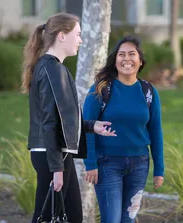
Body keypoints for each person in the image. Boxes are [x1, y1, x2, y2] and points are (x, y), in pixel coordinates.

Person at [21, 13, 116, 223]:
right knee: (46, 217)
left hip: (56, 153)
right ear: (62, 36)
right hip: (52, 155)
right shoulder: (51, 69)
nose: (81, 40)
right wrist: (57, 169)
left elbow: (63, 118)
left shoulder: (53, 67)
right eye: (78, 34)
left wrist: (92, 126)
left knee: (72, 216)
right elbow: (50, 122)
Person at [82, 36, 164, 223]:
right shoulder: (101, 89)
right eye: (121, 54)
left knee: (128, 219)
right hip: (107, 164)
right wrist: (91, 164)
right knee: (111, 219)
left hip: (140, 164)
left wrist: (159, 169)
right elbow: (87, 127)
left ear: (140, 61)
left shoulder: (148, 91)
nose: (126, 59)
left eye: (132, 54)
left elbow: (156, 131)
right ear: (115, 60)